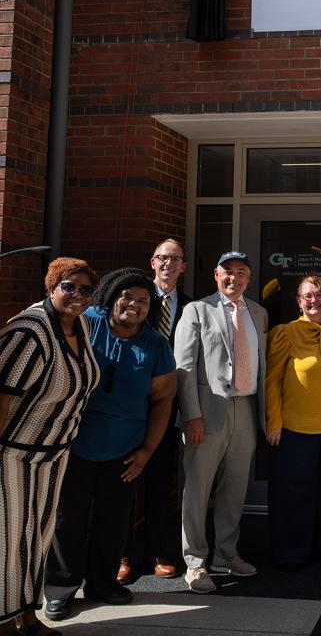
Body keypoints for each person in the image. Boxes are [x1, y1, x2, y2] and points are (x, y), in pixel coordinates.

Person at [45, 268, 176, 620]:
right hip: (74, 443)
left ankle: (103, 583)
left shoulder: (156, 345)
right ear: (111, 295)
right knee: (67, 520)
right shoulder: (88, 324)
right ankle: (60, 589)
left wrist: (147, 451)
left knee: (114, 520)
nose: (133, 305)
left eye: (143, 301)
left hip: (125, 451)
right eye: (127, 297)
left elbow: (163, 399)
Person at [0, 258, 100, 636]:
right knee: (7, 540)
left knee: (38, 537)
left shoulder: (82, 325)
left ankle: (27, 616)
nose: (77, 295)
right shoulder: (29, 331)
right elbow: (3, 396)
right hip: (13, 454)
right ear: (51, 286)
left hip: (54, 452)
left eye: (86, 289)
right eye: (69, 286)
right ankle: (4, 623)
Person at [174, 251, 268, 594]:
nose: (234, 277)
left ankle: (227, 553)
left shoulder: (259, 312)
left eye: (241, 271)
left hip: (245, 408)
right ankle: (195, 562)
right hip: (206, 413)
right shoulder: (196, 310)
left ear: (249, 277)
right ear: (216, 275)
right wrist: (191, 415)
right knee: (197, 489)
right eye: (228, 271)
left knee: (235, 488)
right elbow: (183, 368)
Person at [266, 275, 321, 570]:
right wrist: (273, 421)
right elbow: (272, 380)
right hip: (294, 427)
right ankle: (293, 552)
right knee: (296, 493)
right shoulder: (285, 333)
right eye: (307, 296)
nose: (313, 300)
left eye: (319, 294)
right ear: (299, 302)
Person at [119, 238, 191, 583]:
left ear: (183, 267)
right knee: (128, 480)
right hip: (132, 405)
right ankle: (126, 554)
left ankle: (161, 550)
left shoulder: (193, 307)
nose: (168, 264)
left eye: (175, 259)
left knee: (164, 478)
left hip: (171, 405)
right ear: (152, 262)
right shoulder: (134, 301)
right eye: (163, 258)